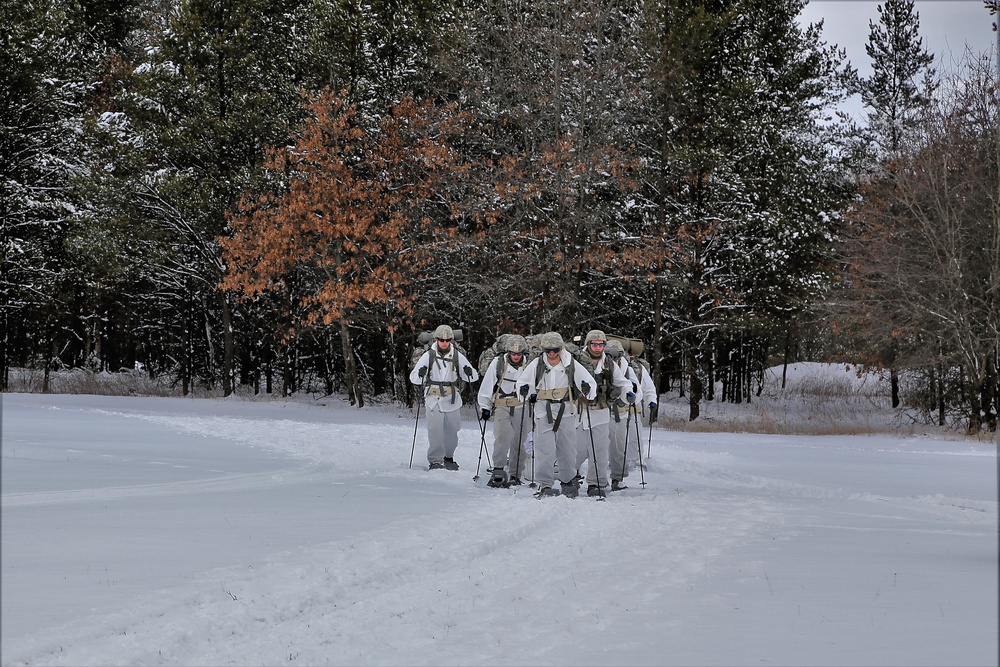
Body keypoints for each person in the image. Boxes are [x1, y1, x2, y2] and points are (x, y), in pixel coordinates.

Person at [515, 331, 596, 498]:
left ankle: (568, 480)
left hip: (566, 410)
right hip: (543, 410)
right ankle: (545, 484)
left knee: (567, 449)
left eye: (555, 350)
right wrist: (523, 390)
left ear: (561, 348)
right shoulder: (537, 364)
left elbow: (587, 381)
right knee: (545, 449)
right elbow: (523, 382)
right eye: (548, 350)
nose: (552, 354)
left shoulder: (570, 364)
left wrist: (587, 389)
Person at [573, 330, 634, 497]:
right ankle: (569, 478)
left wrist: (628, 392)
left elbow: (622, 381)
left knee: (599, 450)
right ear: (588, 344)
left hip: (601, 411)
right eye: (594, 344)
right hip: (579, 413)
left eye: (601, 344)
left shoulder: (608, 363)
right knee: (576, 449)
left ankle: (597, 483)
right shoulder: (576, 360)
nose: (598, 348)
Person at [409, 325, 479, 471]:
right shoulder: (428, 355)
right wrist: (421, 374)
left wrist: (468, 372)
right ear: (437, 339)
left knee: (453, 430)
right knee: (435, 430)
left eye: (447, 340)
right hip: (433, 398)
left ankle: (448, 457)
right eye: (442, 340)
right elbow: (414, 378)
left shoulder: (457, 355)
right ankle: (435, 460)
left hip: (452, 398)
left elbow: (473, 376)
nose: (444, 343)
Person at [477, 334, 530, 487]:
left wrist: (533, 396)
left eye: (519, 353)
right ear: (508, 352)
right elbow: (487, 384)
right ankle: (498, 469)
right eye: (513, 353)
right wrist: (485, 407)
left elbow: (535, 384)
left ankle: (516, 473)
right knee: (502, 436)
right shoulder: (498, 363)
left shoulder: (528, 365)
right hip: (502, 404)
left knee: (521, 441)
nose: (516, 356)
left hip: (521, 405)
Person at [604, 339, 640, 490]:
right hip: (597, 411)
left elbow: (636, 389)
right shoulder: (599, 365)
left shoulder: (627, 369)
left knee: (618, 448)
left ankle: (617, 478)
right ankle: (578, 475)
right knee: (588, 445)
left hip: (618, 413)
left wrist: (631, 394)